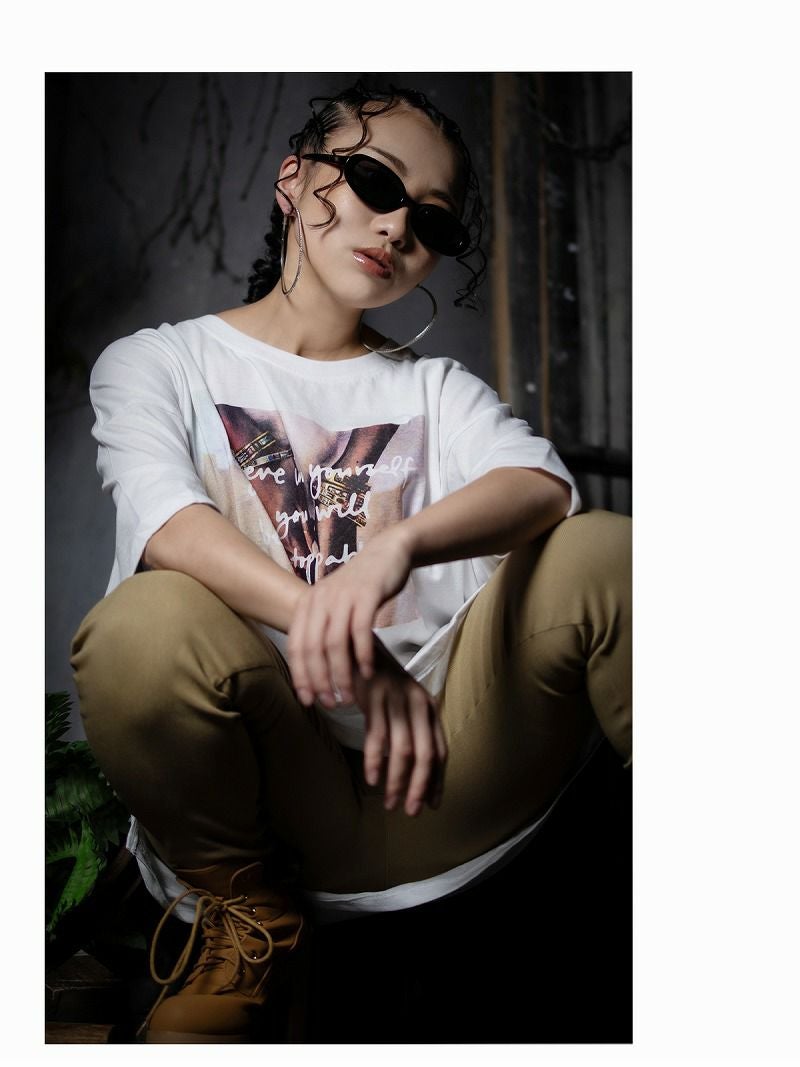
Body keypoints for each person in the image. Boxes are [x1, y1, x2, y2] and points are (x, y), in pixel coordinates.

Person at [70, 81, 632, 1044]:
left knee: (606, 549)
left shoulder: (437, 389)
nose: (397, 225)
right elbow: (168, 523)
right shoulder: (162, 362)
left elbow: (543, 486)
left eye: (433, 220)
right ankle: (244, 920)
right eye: (375, 180)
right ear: (294, 180)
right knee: (141, 624)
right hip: (261, 799)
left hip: (440, 768)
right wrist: (332, 630)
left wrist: (394, 550)